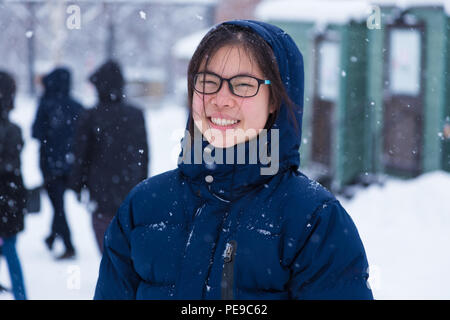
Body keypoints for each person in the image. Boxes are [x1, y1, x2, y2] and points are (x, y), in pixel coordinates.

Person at [94, 20, 373, 300]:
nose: (220, 99)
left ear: (274, 98)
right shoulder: (143, 206)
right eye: (207, 82)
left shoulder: (314, 219)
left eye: (242, 85)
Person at [69, 60, 149, 254]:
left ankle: (113, 281)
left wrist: (77, 184)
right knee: (128, 249)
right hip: (131, 191)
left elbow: (81, 155)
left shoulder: (90, 116)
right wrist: (143, 184)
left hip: (101, 192)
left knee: (107, 250)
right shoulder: (135, 114)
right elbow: (144, 154)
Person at [32, 67, 83, 260]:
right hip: (71, 164)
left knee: (57, 204)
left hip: (49, 163)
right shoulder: (77, 106)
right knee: (58, 203)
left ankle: (69, 245)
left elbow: (36, 132)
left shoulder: (46, 104)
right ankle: (52, 237)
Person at [0, 71, 27, 300]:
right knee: (10, 249)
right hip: (8, 199)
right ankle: (21, 296)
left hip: (7, 198)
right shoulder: (13, 130)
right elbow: (12, 169)